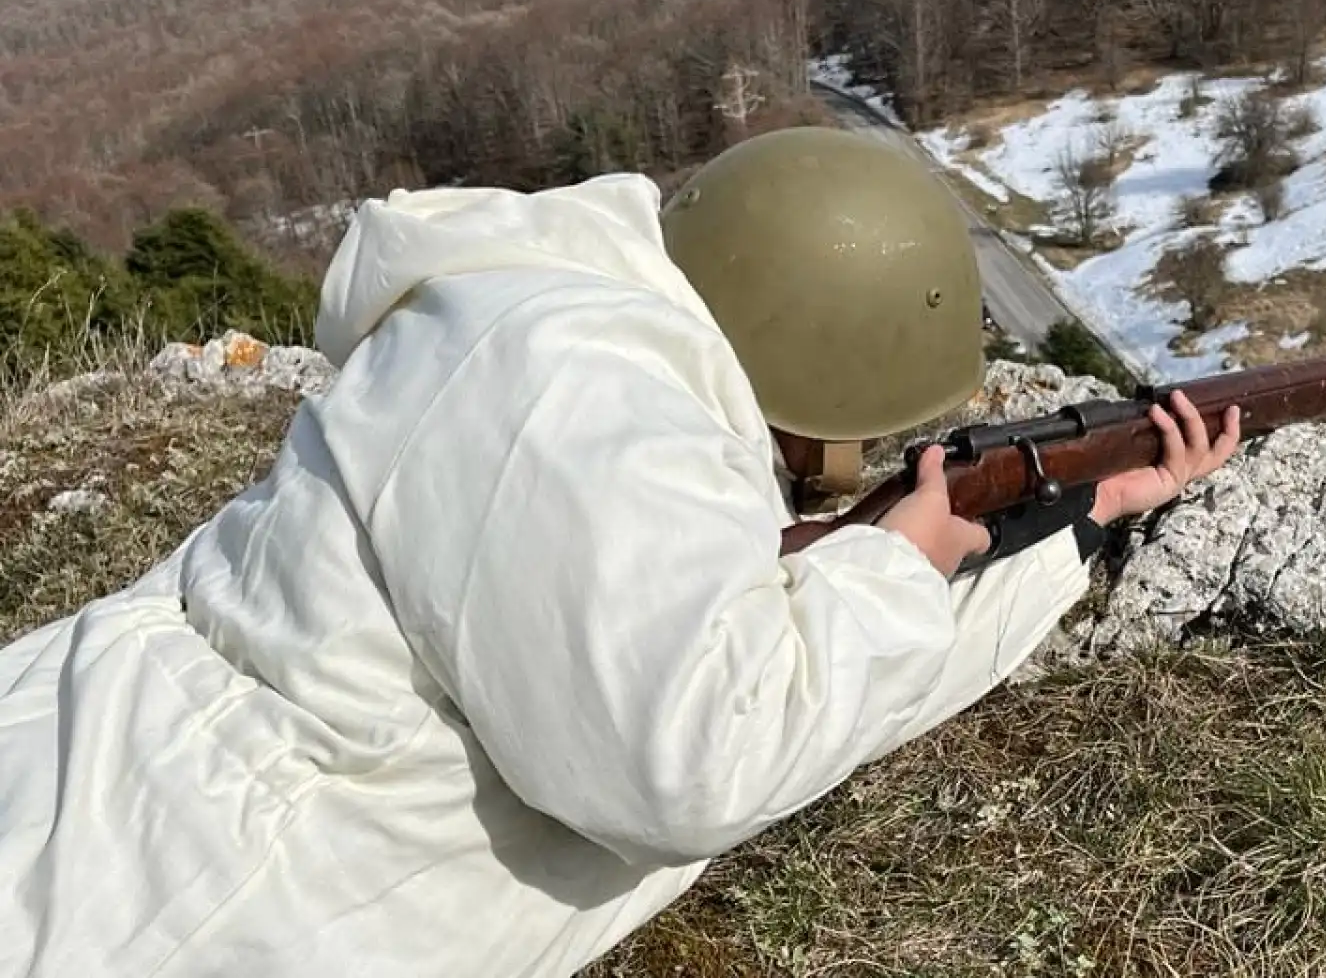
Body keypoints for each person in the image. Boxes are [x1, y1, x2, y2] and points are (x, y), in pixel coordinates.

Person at [0, 127, 1240, 977]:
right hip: (173, 901)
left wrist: (1078, 523)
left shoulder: (551, 320)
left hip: (88, 758)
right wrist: (901, 563)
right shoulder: (593, 410)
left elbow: (778, 642)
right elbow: (700, 757)